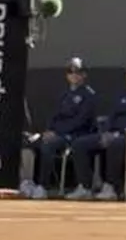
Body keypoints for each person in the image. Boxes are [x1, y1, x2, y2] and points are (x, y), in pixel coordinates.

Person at [67, 58, 126, 200]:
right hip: (113, 133)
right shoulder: (121, 94)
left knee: (115, 144)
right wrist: (106, 132)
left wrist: (118, 133)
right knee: (79, 144)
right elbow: (112, 116)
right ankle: (85, 186)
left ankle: (112, 187)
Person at [21, 57, 97, 199]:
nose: (74, 75)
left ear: (84, 74)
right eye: (70, 71)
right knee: (29, 142)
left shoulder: (89, 95)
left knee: (48, 145)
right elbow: (54, 116)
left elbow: (80, 121)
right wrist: (48, 131)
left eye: (77, 71)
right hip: (56, 133)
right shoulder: (64, 95)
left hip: (75, 135)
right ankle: (27, 182)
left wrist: (56, 132)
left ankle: (43, 187)